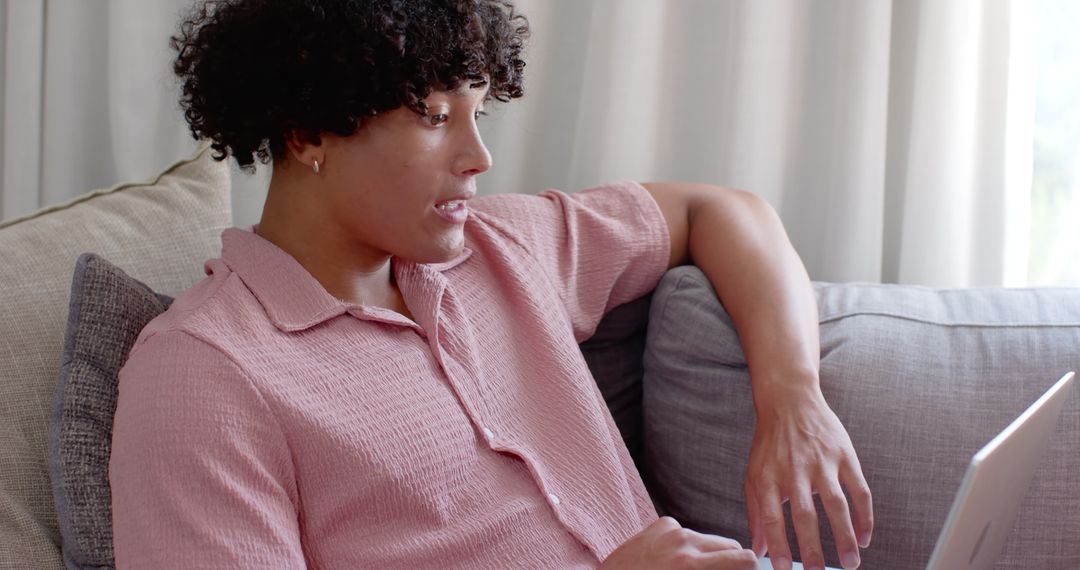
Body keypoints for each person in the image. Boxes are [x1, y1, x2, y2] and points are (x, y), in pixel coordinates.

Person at [108, 1, 873, 569]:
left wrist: (793, 400)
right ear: (309, 132)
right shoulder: (204, 374)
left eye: (479, 114)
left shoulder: (497, 247)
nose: (479, 158)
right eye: (437, 117)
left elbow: (723, 211)